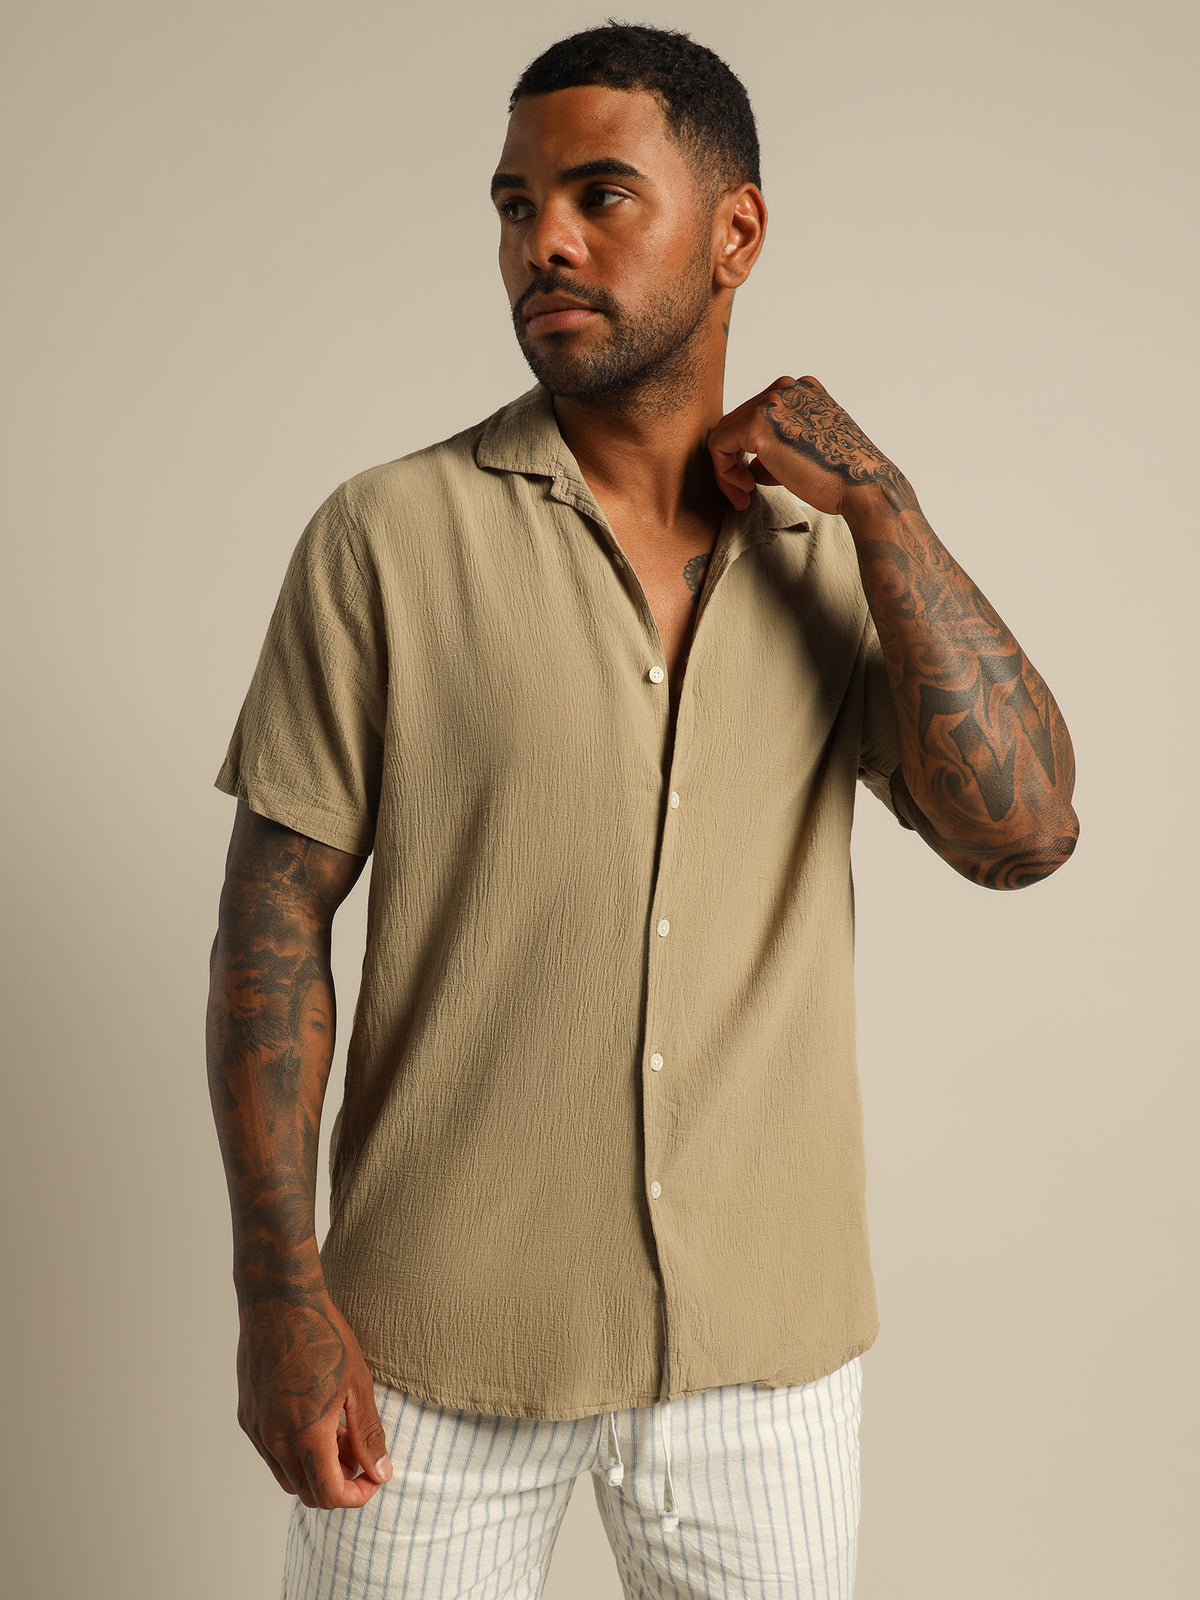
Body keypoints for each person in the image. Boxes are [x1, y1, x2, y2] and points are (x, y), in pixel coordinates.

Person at [206, 21, 1078, 1599]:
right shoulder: (385, 536)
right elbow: (272, 928)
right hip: (431, 1356)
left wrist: (887, 509)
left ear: (736, 233)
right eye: (515, 203)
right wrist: (280, 1291)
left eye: (599, 195)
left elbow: (1024, 833)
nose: (542, 240)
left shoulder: (838, 555)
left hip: (764, 1363)